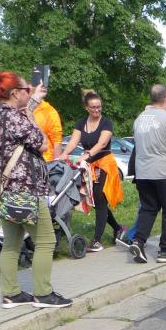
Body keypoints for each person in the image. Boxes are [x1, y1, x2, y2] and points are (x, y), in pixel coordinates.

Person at [0, 69, 72, 308]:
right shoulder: (15, 117)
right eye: (26, 89)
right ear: (14, 93)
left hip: (4, 189)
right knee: (46, 240)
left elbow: (16, 127)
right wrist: (31, 112)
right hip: (26, 189)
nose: (29, 92)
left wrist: (31, 103)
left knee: (11, 243)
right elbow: (42, 143)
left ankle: (11, 293)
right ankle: (43, 294)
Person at [60, 90, 125, 252]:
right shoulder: (81, 123)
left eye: (99, 107)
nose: (97, 110)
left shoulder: (106, 122)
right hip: (88, 165)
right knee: (96, 201)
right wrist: (64, 154)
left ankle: (97, 241)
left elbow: (102, 144)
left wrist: (86, 155)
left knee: (99, 197)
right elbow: (73, 141)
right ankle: (118, 228)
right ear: (86, 108)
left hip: (104, 163)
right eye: (93, 107)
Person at [129, 84, 166, 263]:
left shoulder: (139, 120)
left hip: (142, 173)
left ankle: (138, 241)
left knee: (148, 208)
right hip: (165, 173)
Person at [32, 96, 62, 162]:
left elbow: (57, 142)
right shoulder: (17, 107)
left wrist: (55, 165)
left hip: (44, 162)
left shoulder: (49, 111)